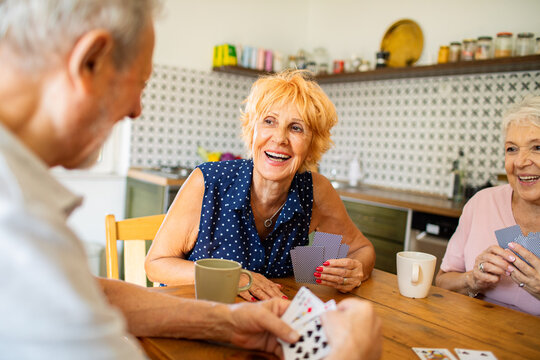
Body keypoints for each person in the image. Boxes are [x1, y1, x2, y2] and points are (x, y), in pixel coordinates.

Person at [0, 0, 382, 358]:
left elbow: (88, 293)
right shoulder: (16, 218)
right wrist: (349, 355)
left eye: (296, 128)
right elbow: (144, 272)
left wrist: (227, 323)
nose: (137, 110)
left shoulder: (314, 192)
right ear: (90, 61)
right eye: (141, 84)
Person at [145, 70, 376, 301]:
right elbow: (156, 264)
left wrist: (356, 270)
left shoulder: (314, 191)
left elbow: (361, 250)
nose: (280, 138)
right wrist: (235, 278)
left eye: (296, 128)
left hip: (267, 322)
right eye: (269, 121)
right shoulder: (208, 181)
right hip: (193, 316)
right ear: (252, 130)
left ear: (312, 144)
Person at [435, 96, 540, 316]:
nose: (520, 162)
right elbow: (442, 283)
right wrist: (472, 280)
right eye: (512, 149)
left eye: (537, 147)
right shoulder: (482, 203)